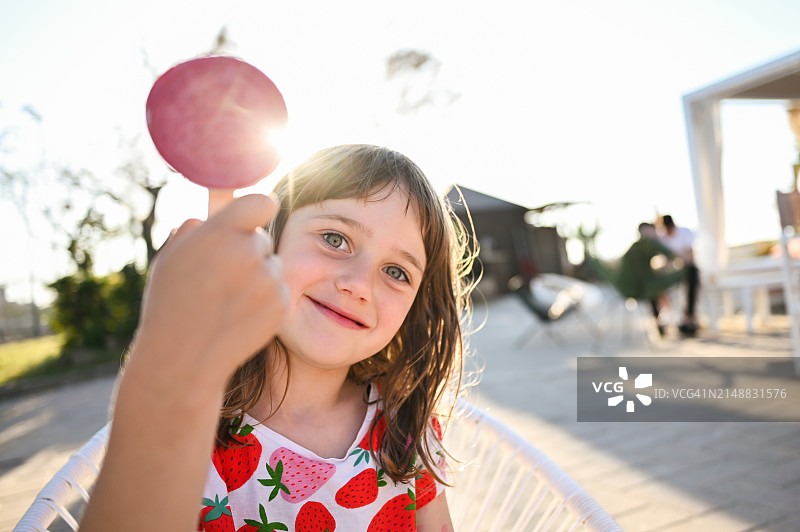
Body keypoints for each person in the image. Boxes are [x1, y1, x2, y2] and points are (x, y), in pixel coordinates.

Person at [81, 145, 476, 532]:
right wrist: (168, 362)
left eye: (396, 272)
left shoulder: (408, 428)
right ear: (269, 239)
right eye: (335, 240)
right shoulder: (193, 429)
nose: (360, 286)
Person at [617, 223, 684, 337]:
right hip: (644, 287)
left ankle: (661, 319)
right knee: (659, 286)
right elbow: (672, 255)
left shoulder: (634, 247)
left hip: (635, 288)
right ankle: (673, 318)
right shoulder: (649, 243)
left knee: (656, 288)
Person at [659, 214, 699, 336]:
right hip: (671, 272)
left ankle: (689, 316)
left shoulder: (684, 232)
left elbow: (690, 255)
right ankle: (666, 316)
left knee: (692, 273)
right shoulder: (663, 238)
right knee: (658, 282)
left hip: (686, 269)